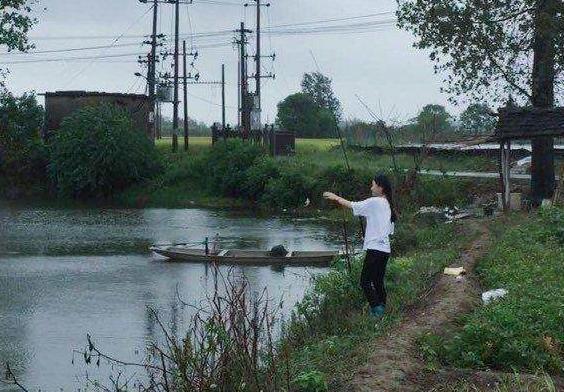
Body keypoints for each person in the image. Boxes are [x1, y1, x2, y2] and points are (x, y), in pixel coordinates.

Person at [323, 174, 397, 318]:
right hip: (385, 249)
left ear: (380, 187)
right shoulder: (388, 204)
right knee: (377, 281)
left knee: (365, 282)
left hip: (375, 249)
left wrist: (335, 197)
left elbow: (352, 205)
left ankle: (377, 311)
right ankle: (382, 306)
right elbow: (388, 231)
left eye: (373, 185)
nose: (371, 187)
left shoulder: (375, 201)